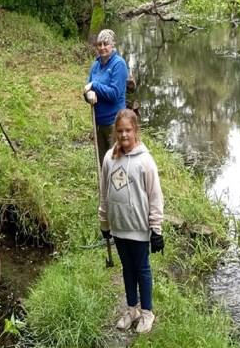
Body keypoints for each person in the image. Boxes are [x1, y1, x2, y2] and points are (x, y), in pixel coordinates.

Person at [98, 109, 165, 333]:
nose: (124, 135)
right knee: (127, 270)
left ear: (136, 131)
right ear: (115, 133)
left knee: (142, 270)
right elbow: (104, 193)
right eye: (120, 131)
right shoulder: (109, 158)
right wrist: (104, 223)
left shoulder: (145, 161)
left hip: (138, 228)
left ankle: (147, 312)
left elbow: (155, 196)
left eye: (128, 130)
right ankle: (132, 309)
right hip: (119, 228)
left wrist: (156, 230)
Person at [83, 29, 128, 165]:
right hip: (98, 122)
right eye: (99, 44)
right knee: (104, 163)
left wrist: (94, 86)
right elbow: (87, 88)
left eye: (106, 44)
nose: (102, 48)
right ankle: (105, 186)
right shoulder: (95, 65)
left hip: (113, 123)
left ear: (112, 45)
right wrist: (87, 95)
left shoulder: (118, 64)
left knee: (117, 162)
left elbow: (114, 94)